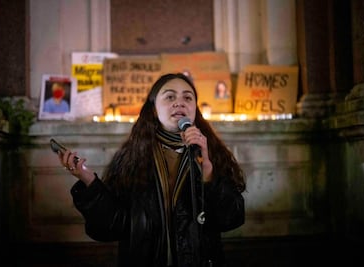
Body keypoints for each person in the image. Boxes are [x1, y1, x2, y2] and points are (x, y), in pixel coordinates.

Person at [57, 73, 246, 267]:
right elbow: (112, 227)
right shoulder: (132, 159)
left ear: (195, 110)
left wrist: (208, 173)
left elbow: (232, 219)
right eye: (170, 97)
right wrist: (89, 181)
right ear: (154, 109)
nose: (179, 103)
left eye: (187, 98)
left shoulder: (211, 154)